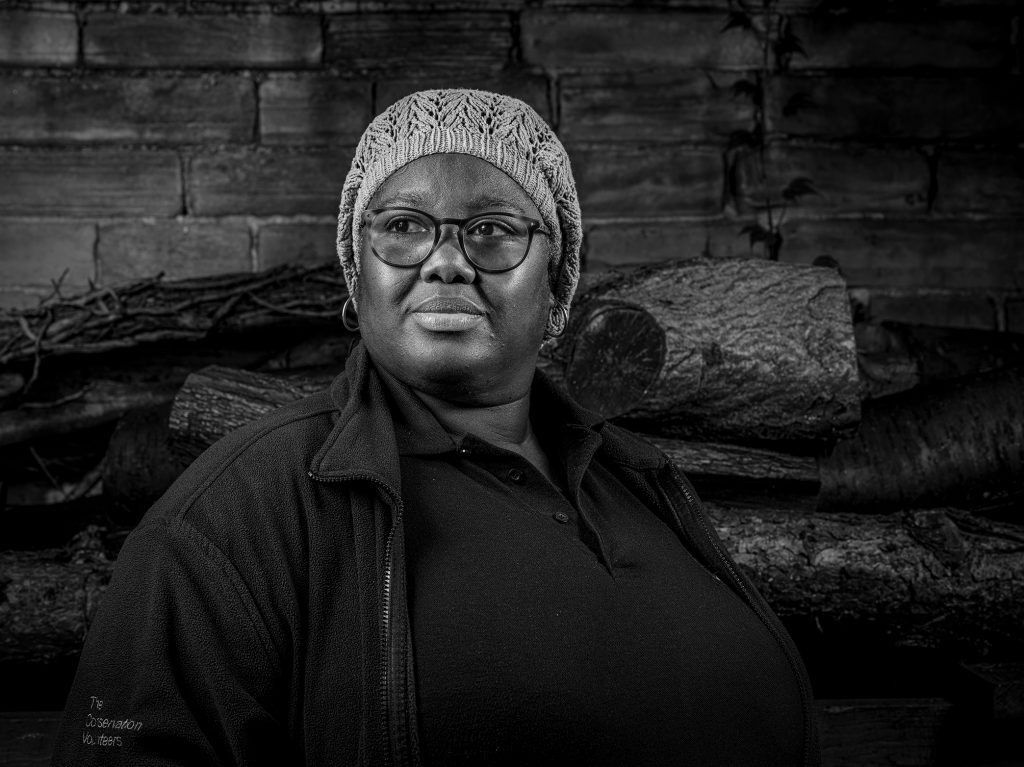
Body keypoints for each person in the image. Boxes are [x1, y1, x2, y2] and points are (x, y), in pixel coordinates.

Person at [52, 89, 819, 766]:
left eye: (492, 230)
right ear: (360, 272)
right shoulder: (234, 518)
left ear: (558, 284)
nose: (448, 262)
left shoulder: (643, 483)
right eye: (405, 226)